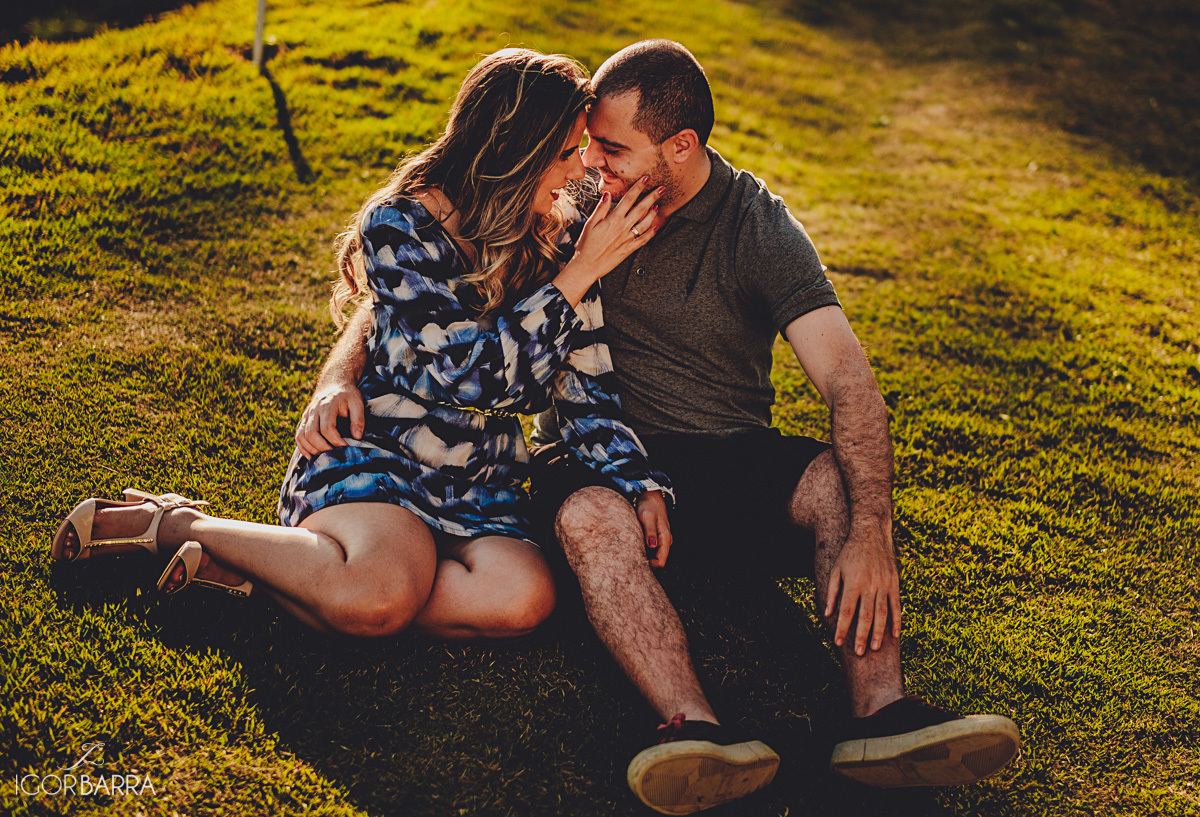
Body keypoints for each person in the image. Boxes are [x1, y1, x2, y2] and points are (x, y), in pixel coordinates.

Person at [293, 40, 1022, 815]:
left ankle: (881, 713)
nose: (590, 169)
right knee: (588, 513)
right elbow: (426, 300)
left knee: (831, 482)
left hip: (721, 457)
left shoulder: (755, 228)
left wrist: (874, 525)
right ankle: (692, 726)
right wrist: (337, 373)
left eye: (611, 149)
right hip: (594, 453)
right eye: (585, 147)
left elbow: (848, 380)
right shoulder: (573, 215)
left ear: (680, 147)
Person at [49, 48, 672, 645]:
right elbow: (463, 375)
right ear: (515, 154)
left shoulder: (561, 233)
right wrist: (575, 278)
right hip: (383, 453)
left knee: (522, 600)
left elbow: (586, 391)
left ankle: (286, 577)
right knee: (381, 596)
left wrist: (638, 482)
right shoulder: (401, 228)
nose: (581, 169)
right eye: (565, 154)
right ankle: (177, 524)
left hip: (482, 478)